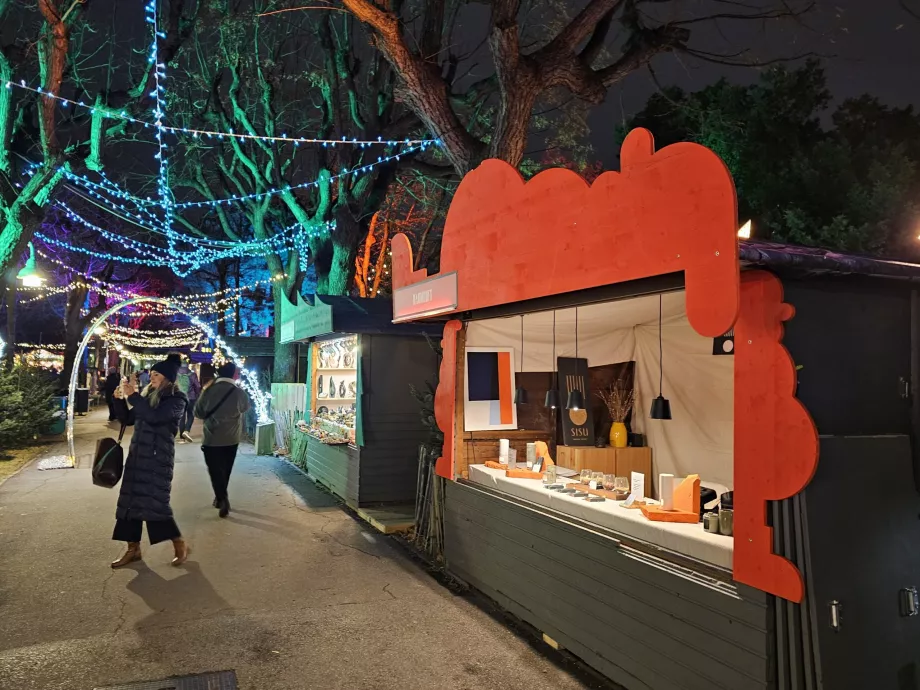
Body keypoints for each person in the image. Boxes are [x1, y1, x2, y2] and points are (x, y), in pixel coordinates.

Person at [110, 358, 191, 569]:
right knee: (130, 503)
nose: (151, 378)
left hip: (158, 459)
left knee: (156, 504)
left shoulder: (176, 399)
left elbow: (155, 418)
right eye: (152, 374)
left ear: (167, 378)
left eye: (156, 375)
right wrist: (118, 400)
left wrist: (133, 396)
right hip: (137, 457)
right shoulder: (147, 396)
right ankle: (132, 548)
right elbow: (128, 419)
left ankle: (179, 544)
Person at [195, 361, 250, 518]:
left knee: (214, 470)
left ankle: (222, 498)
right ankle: (221, 498)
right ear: (234, 374)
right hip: (232, 438)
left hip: (211, 438)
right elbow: (245, 408)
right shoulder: (239, 393)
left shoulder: (208, 390)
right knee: (225, 469)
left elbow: (198, 412)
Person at [175, 361, 201, 443]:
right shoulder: (192, 374)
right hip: (191, 397)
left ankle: (182, 437)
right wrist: (197, 394)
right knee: (190, 414)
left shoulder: (176, 374)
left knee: (182, 416)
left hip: (180, 397)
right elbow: (197, 386)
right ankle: (186, 430)